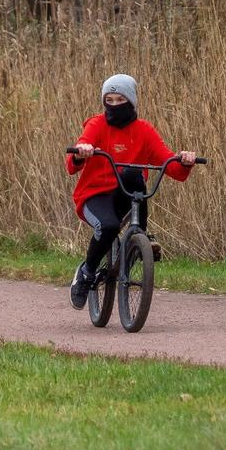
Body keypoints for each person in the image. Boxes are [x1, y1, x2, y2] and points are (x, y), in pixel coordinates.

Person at [65, 74, 198, 309]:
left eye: (120, 100)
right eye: (110, 100)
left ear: (132, 101)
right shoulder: (96, 125)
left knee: (133, 175)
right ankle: (86, 272)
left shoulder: (144, 130)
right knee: (108, 226)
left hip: (125, 193)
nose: (114, 105)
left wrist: (185, 161)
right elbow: (72, 162)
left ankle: (140, 237)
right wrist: (81, 151)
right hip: (94, 195)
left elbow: (171, 166)